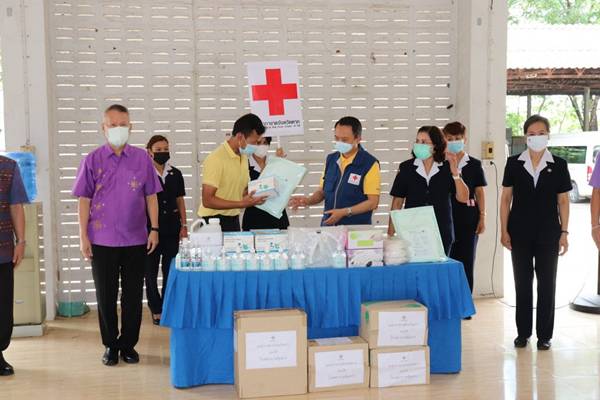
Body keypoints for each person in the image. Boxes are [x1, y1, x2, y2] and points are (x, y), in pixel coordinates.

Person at [72, 104, 162, 366]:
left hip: (136, 238)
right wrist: (83, 236)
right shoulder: (92, 160)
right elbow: (84, 200)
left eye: (123, 124)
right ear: (104, 128)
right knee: (106, 295)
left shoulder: (142, 159)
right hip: (102, 240)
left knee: (133, 296)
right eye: (112, 125)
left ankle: (128, 345)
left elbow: (151, 196)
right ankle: (110, 345)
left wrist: (154, 229)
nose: (118, 129)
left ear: (130, 127)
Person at [500, 114, 571, 351]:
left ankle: (544, 335)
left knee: (547, 283)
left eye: (541, 133)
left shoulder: (558, 164)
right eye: (532, 134)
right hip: (519, 232)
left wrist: (564, 232)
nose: (536, 137)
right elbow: (506, 199)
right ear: (525, 137)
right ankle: (523, 333)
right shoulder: (514, 163)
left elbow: (563, 201)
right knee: (522, 283)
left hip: (549, 233)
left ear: (548, 136)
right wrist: (504, 230)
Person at [388, 125, 469, 255]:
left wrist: (455, 173)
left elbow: (463, 198)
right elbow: (397, 202)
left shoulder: (447, 166)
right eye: (417, 141)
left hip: (441, 232)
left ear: (436, 145)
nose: (419, 145)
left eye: (424, 142)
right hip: (412, 232)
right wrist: (390, 234)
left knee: (440, 267)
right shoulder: (406, 168)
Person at [289, 116, 381, 225]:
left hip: (355, 229)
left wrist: (345, 212)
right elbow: (322, 192)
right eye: (337, 138)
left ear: (358, 138)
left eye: (344, 139)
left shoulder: (369, 164)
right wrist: (308, 200)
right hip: (329, 226)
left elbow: (373, 202)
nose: (339, 142)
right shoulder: (331, 160)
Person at [198, 113, 268, 232]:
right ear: (240, 136)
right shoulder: (216, 159)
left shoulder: (243, 157)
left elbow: (240, 191)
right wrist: (242, 204)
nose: (256, 146)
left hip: (233, 220)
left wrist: (257, 194)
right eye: (254, 142)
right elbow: (207, 200)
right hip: (213, 223)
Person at [145, 135, 187, 325]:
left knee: (170, 270)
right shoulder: (144, 173)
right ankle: (156, 308)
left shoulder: (175, 173)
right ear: (149, 152)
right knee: (150, 271)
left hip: (172, 227)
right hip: (150, 229)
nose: (163, 152)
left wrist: (184, 225)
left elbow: (180, 200)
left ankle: (168, 305)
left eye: (166, 149)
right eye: (159, 150)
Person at [443, 122, 487, 296]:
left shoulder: (474, 164)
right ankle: (449, 300)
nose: (454, 141)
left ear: (464, 139)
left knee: (467, 261)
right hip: (447, 217)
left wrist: (482, 216)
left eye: (457, 138)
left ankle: (466, 302)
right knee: (447, 260)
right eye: (450, 138)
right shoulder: (441, 163)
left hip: (469, 219)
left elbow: (480, 192)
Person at [0, 157, 28, 377]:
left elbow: (16, 206)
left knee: (2, 308)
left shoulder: (8, 167)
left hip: (2, 251)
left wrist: (21, 242)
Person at [242, 136, 289, 231]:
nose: (262, 146)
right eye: (258, 143)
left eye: (265, 143)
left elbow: (285, 186)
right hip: (254, 218)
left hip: (277, 218)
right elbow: (242, 193)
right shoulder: (244, 165)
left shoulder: (275, 162)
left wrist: (280, 164)